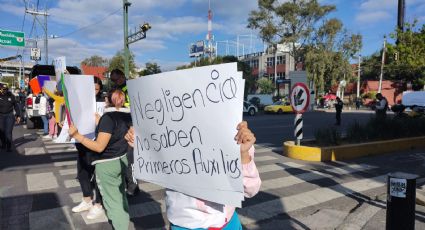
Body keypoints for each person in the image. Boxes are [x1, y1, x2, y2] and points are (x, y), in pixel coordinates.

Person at [124, 121, 261, 229]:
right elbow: (155, 166)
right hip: (184, 223)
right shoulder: (167, 128)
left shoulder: (234, 135)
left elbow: (250, 190)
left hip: (226, 223)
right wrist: (142, 143)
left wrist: (243, 155)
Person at [69, 89, 132, 230]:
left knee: (112, 201)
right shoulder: (127, 116)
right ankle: (123, 221)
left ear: (107, 101)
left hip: (107, 164)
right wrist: (101, 124)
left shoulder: (108, 118)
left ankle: (120, 226)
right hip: (121, 159)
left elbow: (99, 147)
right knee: (120, 196)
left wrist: (78, 136)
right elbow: (117, 135)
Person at [71, 78, 105, 220]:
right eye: (91, 89)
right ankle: (86, 200)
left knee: (99, 176)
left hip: (97, 144)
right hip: (82, 142)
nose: (93, 92)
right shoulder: (78, 101)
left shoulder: (103, 102)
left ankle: (98, 204)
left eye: (96, 89)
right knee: (82, 172)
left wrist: (101, 122)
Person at [110, 69, 139, 196]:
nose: (116, 82)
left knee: (129, 156)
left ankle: (133, 186)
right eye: (113, 80)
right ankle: (127, 183)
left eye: (117, 79)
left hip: (130, 123)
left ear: (122, 76)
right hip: (121, 123)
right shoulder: (116, 89)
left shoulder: (131, 87)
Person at [0, 85, 21, 152]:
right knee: (2, 131)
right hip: (1, 116)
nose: (4, 90)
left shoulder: (11, 96)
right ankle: (3, 143)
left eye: (6, 89)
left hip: (9, 116)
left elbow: (16, 106)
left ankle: (8, 147)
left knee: (8, 132)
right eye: (3, 89)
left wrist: (18, 115)